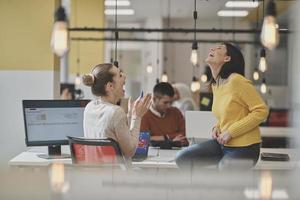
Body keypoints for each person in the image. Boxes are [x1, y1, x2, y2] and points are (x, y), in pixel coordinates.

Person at [175, 43, 269, 170]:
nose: (212, 48)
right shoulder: (216, 85)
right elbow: (227, 115)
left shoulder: (237, 81)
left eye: (219, 48)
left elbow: (261, 111)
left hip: (246, 148)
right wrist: (217, 127)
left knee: (223, 170)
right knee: (183, 158)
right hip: (222, 144)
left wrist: (230, 132)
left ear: (227, 58)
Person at [82, 63, 152, 159]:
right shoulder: (116, 112)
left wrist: (130, 116)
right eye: (120, 75)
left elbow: (114, 132)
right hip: (115, 173)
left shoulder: (89, 107)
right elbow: (130, 152)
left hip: (95, 172)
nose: (124, 76)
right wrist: (137, 117)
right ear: (110, 86)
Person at [140, 82, 189, 147]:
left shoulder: (176, 112)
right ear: (154, 99)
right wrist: (169, 140)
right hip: (153, 155)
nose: (169, 106)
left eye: (171, 102)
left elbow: (184, 136)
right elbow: (143, 140)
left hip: (177, 153)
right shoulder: (144, 115)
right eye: (165, 102)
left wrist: (159, 138)